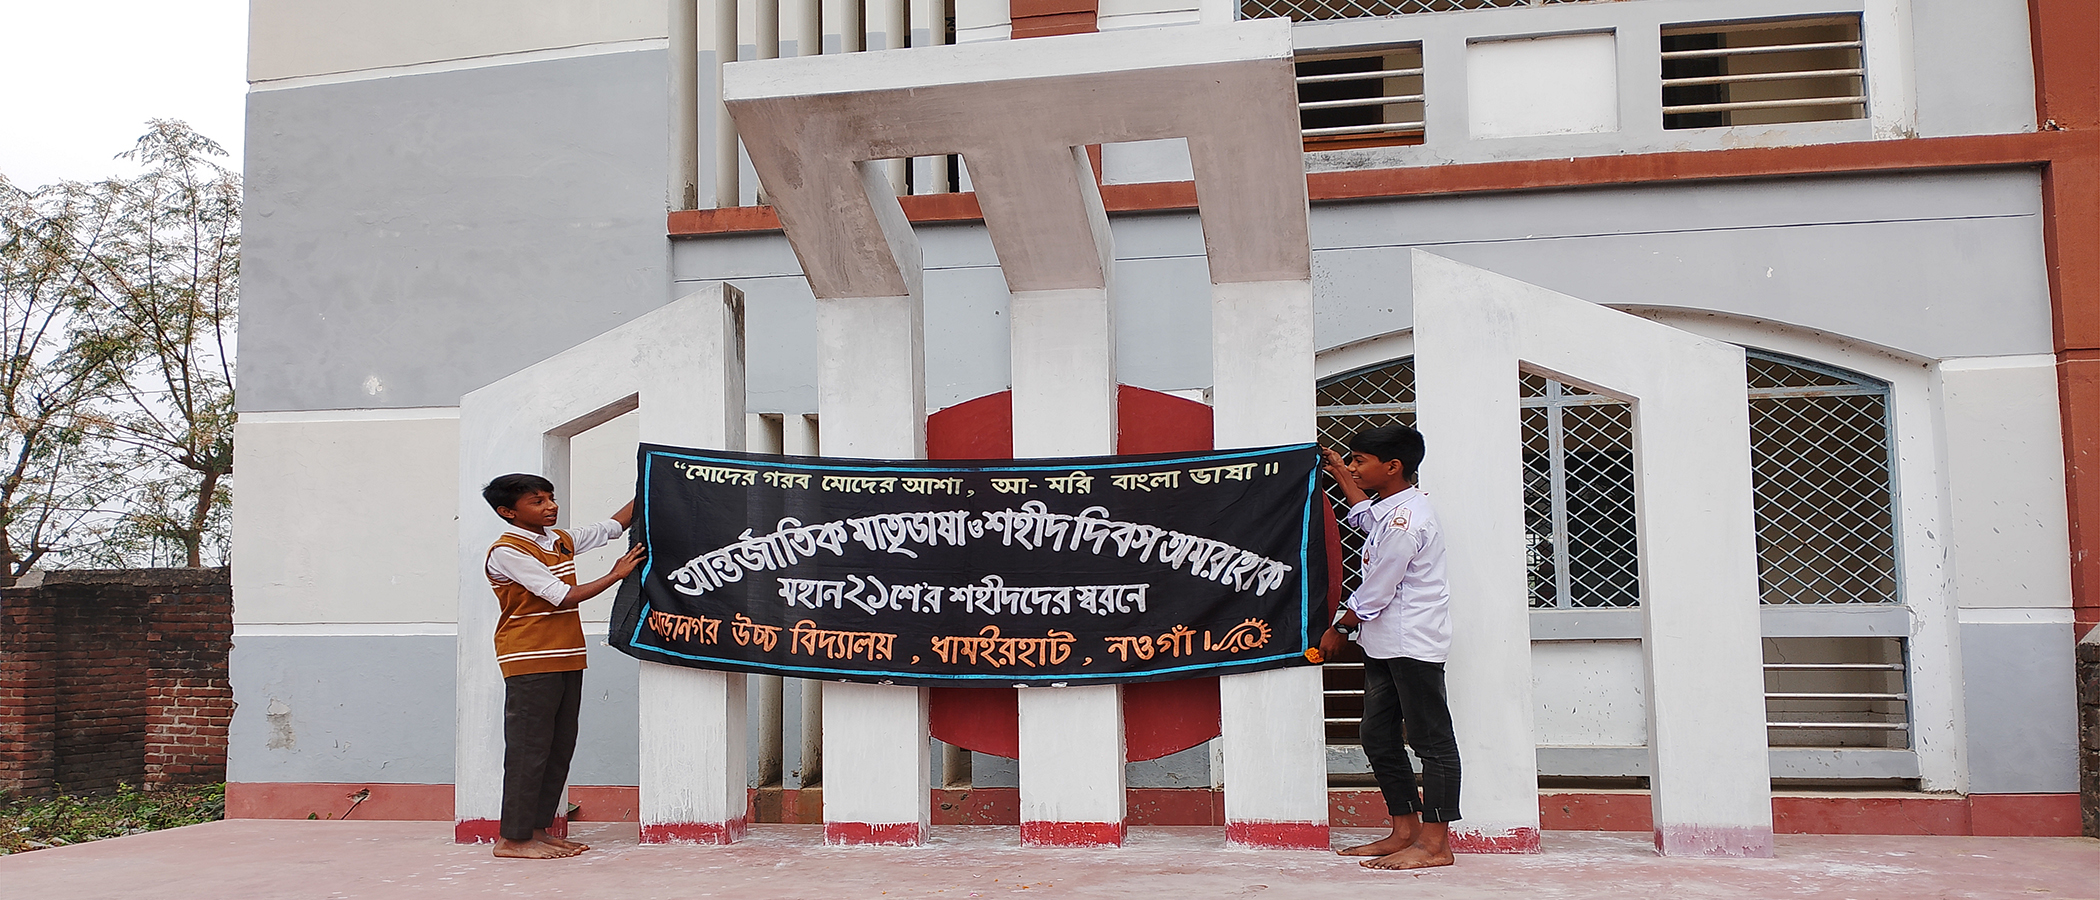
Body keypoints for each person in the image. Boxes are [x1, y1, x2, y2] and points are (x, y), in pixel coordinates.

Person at [480, 473, 646, 859]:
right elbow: (562, 596)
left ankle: (536, 831)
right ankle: (512, 840)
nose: (550, 506)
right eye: (537, 501)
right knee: (528, 749)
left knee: (557, 747)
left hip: (567, 654)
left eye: (550, 498)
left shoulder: (559, 540)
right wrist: (616, 574)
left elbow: (613, 526)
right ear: (508, 512)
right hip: (529, 657)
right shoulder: (507, 551)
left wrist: (655, 481)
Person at [1319, 424, 1460, 871]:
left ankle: (1435, 844)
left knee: (1431, 742)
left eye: (1360, 461)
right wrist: (1340, 473)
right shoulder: (1391, 510)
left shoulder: (1406, 522)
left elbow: (1379, 587)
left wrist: (1341, 627)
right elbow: (1365, 517)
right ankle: (1404, 831)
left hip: (1411, 643)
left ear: (1393, 466)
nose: (1354, 467)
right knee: (1378, 736)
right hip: (1384, 643)